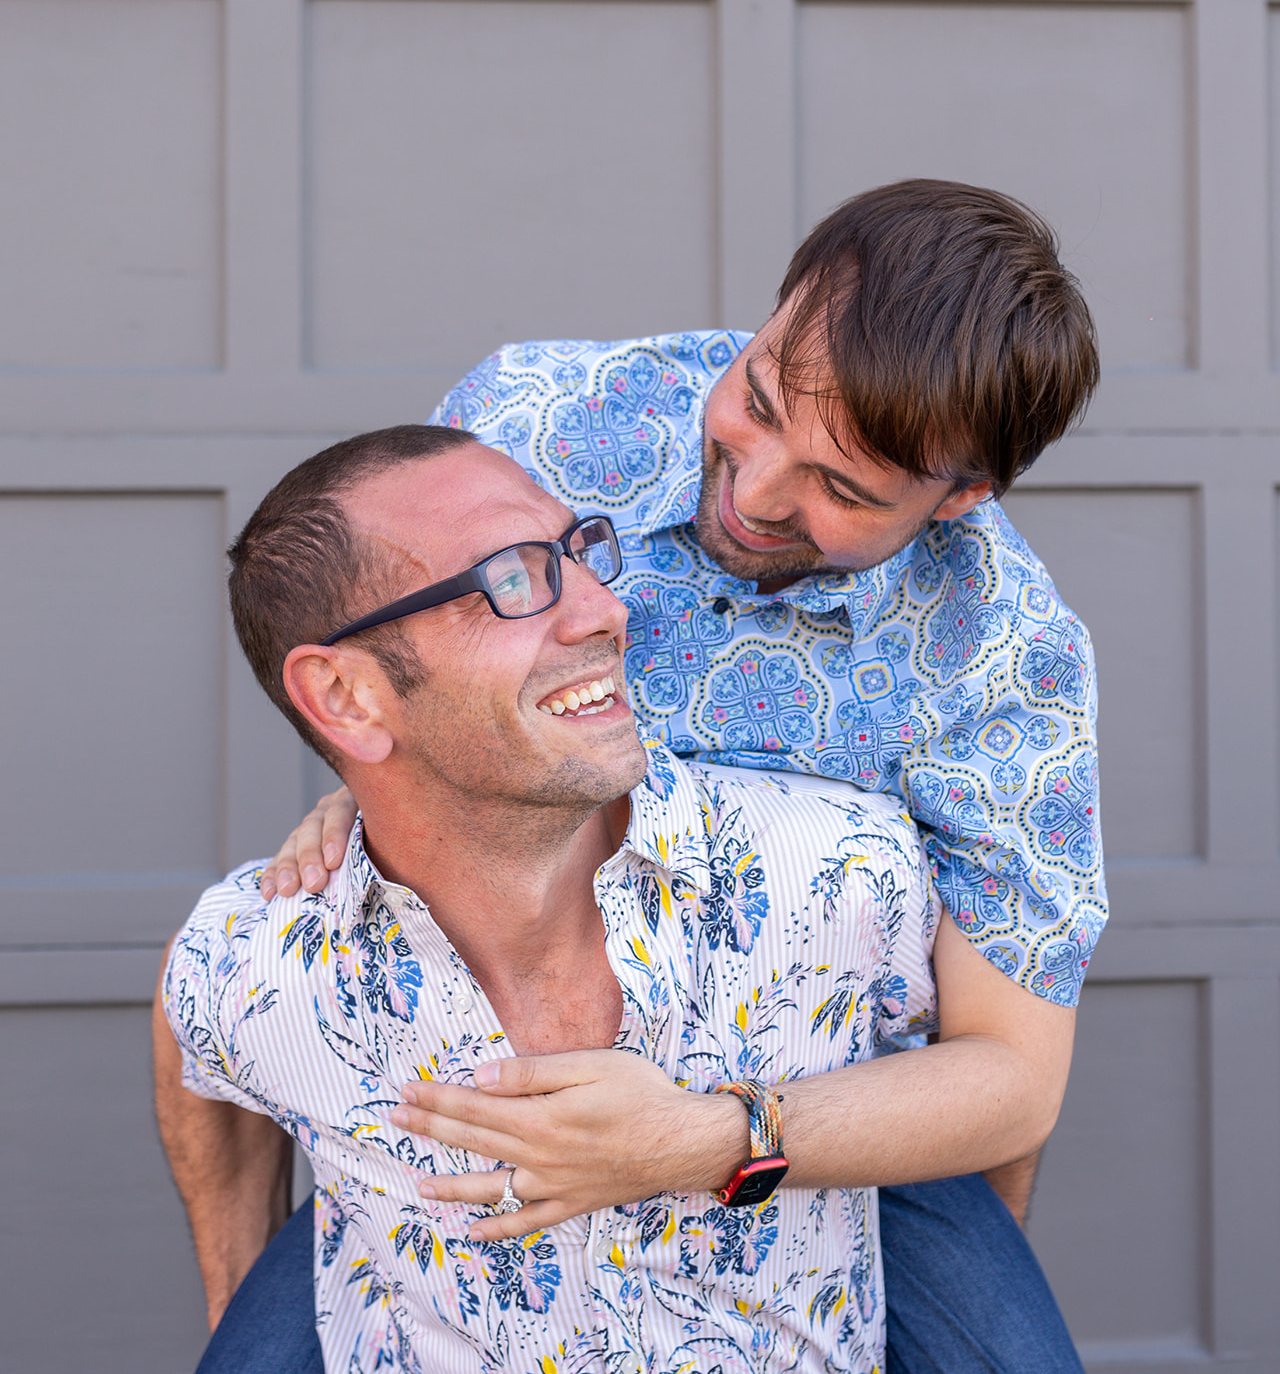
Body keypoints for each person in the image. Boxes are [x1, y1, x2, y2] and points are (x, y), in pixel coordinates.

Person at [247, 178, 1104, 1369]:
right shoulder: (534, 418)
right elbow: (398, 663)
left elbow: (1008, 1076)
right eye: (756, 399)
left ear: (959, 497)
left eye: (841, 488)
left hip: (818, 1115)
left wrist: (705, 1139)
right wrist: (378, 788)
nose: (753, 493)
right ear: (773, 314)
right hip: (490, 1090)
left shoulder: (1009, 662)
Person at [155, 424, 1069, 1373]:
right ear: (346, 697)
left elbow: (999, 1081)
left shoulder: (843, 870)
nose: (607, 609)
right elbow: (190, 1025)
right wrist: (235, 1295)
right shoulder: (254, 962)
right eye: (511, 580)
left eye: (579, 552)